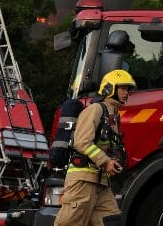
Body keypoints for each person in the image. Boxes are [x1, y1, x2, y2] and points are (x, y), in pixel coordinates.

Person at [55, 69, 135, 226]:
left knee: (112, 221)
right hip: (83, 179)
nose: (127, 93)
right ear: (109, 88)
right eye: (123, 88)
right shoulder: (95, 109)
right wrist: (105, 161)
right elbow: (82, 142)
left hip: (101, 182)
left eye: (128, 89)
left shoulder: (114, 115)